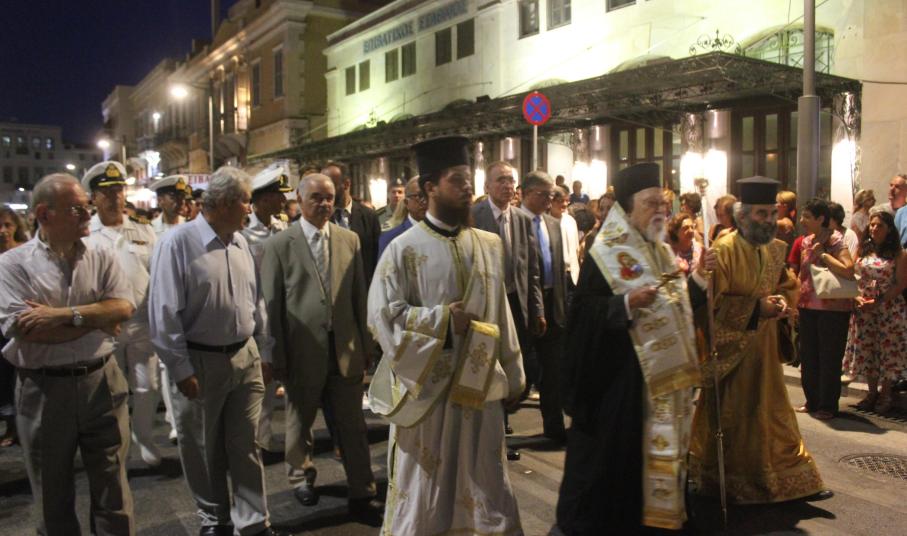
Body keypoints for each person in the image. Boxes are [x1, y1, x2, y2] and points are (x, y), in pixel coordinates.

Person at [368, 136, 525, 535]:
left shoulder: (489, 245)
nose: (467, 187)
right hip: (428, 395)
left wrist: (514, 373)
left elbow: (501, 313)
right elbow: (384, 318)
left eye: (469, 179)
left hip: (480, 387)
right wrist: (441, 321)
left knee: (485, 482)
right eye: (457, 179)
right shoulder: (402, 250)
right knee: (427, 491)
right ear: (430, 187)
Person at [556, 162, 710, 534]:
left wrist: (700, 279)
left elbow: (674, 307)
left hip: (659, 382)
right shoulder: (605, 250)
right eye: (651, 203)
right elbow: (583, 314)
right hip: (619, 382)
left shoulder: (660, 249)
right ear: (628, 208)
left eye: (663, 203)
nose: (661, 210)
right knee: (618, 471)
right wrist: (625, 304)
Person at [148, 167, 283, 536]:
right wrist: (181, 369)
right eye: (245, 201)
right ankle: (214, 520)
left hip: (245, 357)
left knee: (245, 445)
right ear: (223, 203)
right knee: (202, 448)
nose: (249, 208)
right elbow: (164, 313)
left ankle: (253, 522)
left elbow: (256, 302)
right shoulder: (177, 243)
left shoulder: (239, 243)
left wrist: (264, 351)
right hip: (200, 361)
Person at [0, 173, 136, 535]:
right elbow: (28, 330)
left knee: (114, 489)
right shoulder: (12, 265)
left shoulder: (102, 254)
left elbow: (123, 307)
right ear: (44, 214)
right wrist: (99, 318)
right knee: (52, 495)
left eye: (87, 206)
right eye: (77, 209)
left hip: (102, 380)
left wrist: (62, 315)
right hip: (45, 389)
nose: (88, 214)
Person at [690, 176, 827, 505]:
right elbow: (710, 307)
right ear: (742, 216)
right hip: (733, 355)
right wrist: (755, 309)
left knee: (774, 416)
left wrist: (780, 302)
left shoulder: (776, 249)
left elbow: (787, 285)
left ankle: (789, 475)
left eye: (771, 213)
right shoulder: (724, 250)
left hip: (765, 350)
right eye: (761, 214)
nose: (768, 220)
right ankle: (737, 483)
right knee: (737, 420)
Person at [259, 173, 383, 525]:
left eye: (329, 197)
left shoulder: (349, 239)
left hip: (344, 347)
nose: (325, 204)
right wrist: (276, 354)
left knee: (353, 424)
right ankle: (301, 477)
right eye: (316, 197)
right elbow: (272, 304)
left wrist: (366, 344)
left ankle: (362, 490)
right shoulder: (279, 245)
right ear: (298, 200)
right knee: (300, 420)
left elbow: (359, 295)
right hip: (301, 349)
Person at [81, 161, 163, 468]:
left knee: (148, 386)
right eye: (108, 191)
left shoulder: (142, 228)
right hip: (106, 325)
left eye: (119, 190)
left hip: (142, 321)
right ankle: (118, 443)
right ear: (94, 197)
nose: (116, 196)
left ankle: (145, 437)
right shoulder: (86, 233)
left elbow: (156, 272)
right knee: (111, 391)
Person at [472, 160, 544, 461]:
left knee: (519, 367)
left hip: (516, 303)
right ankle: (494, 435)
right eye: (501, 180)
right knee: (490, 367)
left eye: (511, 180)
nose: (507, 185)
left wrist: (537, 308)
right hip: (486, 306)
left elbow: (532, 268)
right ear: (487, 186)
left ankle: (502, 425)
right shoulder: (474, 216)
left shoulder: (522, 220)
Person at [242, 164, 292, 454]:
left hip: (280, 310)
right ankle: (255, 437)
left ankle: (265, 433)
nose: (283, 200)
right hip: (255, 312)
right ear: (261, 199)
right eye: (277, 195)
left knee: (274, 375)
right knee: (258, 376)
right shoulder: (244, 233)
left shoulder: (282, 227)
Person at [796, 198, 855, 420]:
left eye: (807, 217)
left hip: (832, 308)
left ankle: (827, 405)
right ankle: (812, 400)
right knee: (808, 355)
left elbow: (848, 270)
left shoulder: (835, 239)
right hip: (807, 304)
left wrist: (823, 254)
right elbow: (803, 273)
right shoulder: (805, 241)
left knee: (829, 356)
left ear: (821, 219)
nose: (802, 221)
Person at [520, 170, 568, 443]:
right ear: (527, 193)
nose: (549, 201)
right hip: (526, 304)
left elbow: (559, 268)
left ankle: (554, 426)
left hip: (553, 302)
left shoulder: (553, 224)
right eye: (544, 195)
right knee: (525, 367)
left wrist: (562, 306)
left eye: (552, 195)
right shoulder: (516, 222)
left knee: (553, 370)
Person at [843, 211, 907, 413]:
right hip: (864, 308)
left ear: (889, 229)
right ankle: (871, 392)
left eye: (879, 225)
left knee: (887, 351)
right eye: (872, 225)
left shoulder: (899, 253)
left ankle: (886, 393)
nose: (874, 229)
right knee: (867, 349)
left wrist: (878, 301)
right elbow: (851, 274)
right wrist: (856, 296)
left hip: (887, 308)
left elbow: (900, 283)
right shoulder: (863, 249)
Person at [147, 173, 189, 443]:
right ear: (161, 200)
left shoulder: (191, 227)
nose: (181, 202)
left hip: (185, 301)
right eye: (174, 197)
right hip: (157, 301)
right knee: (165, 365)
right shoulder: (149, 230)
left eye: (183, 197)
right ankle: (175, 421)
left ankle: (181, 414)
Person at [322, 161, 381, 284]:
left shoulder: (369, 216)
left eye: (331, 185)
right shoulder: (321, 217)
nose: (326, 192)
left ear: (346, 184)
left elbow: (376, 256)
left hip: (364, 286)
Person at [0, 207, 29, 448]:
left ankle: (18, 424)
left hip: (18, 320)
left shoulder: (24, 253)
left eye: (7, 225)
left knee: (16, 374)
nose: (3, 231)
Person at [377, 176, 426, 260]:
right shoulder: (391, 238)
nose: (425, 201)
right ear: (406, 202)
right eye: (419, 196)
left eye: (400, 192)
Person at [552, 185, 581, 288]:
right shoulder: (545, 222)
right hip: (555, 275)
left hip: (572, 273)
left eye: (567, 201)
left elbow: (576, 248)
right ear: (551, 201)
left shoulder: (571, 221)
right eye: (560, 201)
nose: (564, 204)